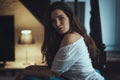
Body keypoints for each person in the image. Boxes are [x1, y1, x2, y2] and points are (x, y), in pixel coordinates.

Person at [16, 1, 105, 80]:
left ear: (69, 17)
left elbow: (54, 73)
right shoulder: (65, 37)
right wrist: (33, 68)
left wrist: (25, 72)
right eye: (53, 21)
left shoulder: (71, 37)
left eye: (61, 18)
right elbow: (55, 68)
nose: (57, 24)